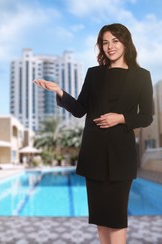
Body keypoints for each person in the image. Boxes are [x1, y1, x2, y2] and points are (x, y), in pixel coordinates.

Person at [33, 23, 153, 244]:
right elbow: (80, 110)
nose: (110, 47)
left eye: (115, 41)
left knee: (117, 218)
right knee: (100, 218)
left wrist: (120, 118)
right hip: (94, 154)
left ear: (126, 42)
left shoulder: (142, 76)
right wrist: (60, 91)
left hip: (121, 156)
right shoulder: (94, 74)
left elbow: (147, 116)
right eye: (105, 42)